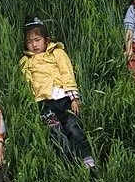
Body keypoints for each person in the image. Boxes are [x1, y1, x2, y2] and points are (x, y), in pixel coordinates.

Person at [19, 18, 96, 169]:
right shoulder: (25, 61)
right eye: (29, 42)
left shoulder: (57, 53)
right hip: (44, 103)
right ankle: (70, 163)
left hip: (64, 98)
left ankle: (86, 158)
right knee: (55, 131)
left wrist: (74, 98)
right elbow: (26, 84)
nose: (34, 45)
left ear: (46, 40)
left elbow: (67, 74)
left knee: (73, 126)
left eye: (37, 40)